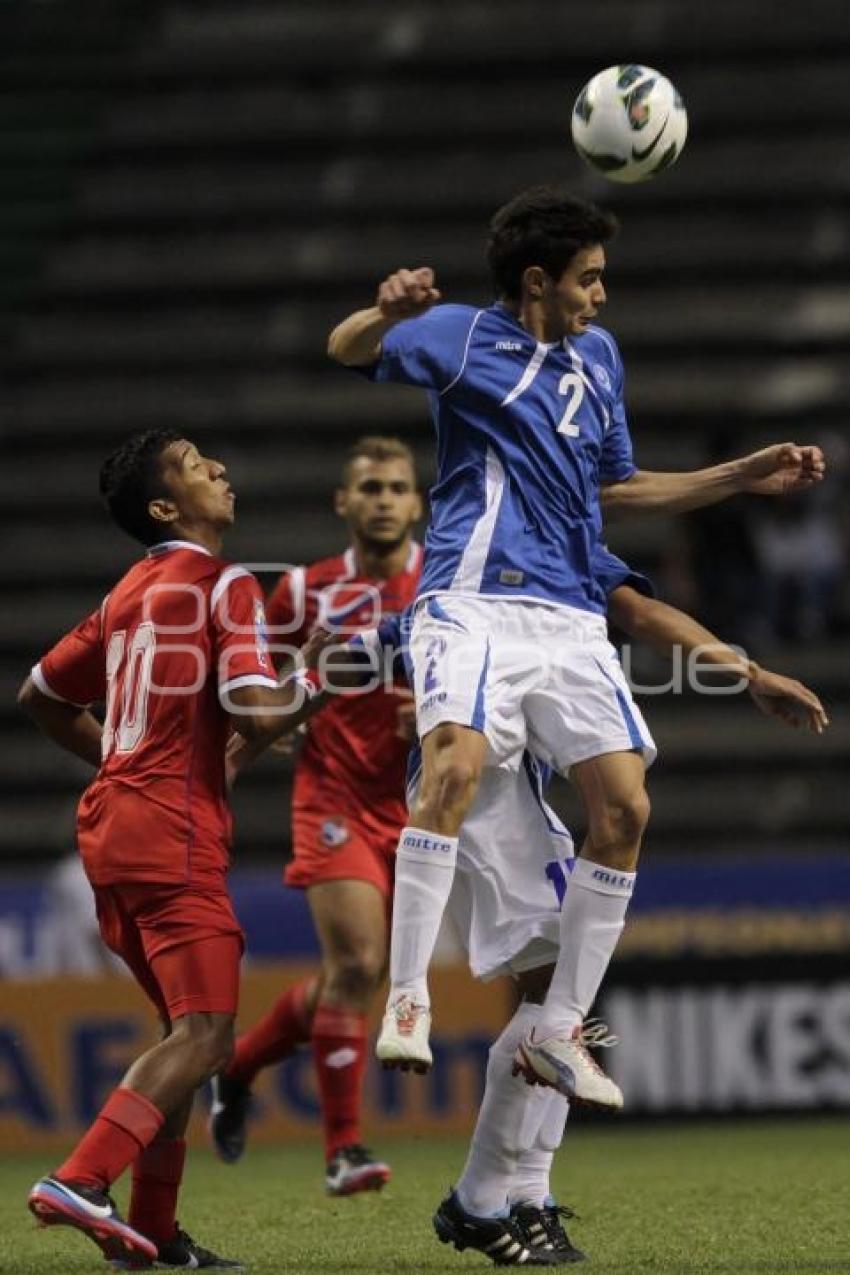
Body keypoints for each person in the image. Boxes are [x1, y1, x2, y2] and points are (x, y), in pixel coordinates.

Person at [326, 184, 825, 1108]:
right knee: (454, 771)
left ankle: (559, 1028)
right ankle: (406, 998)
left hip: (565, 613)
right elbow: (347, 351)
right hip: (470, 597)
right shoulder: (462, 335)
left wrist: (742, 477)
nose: (601, 295)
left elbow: (620, 487)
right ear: (535, 281)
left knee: (627, 807)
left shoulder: (599, 357)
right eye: (588, 279)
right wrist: (382, 312)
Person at [417, 546, 827, 1268]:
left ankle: (503, 1196)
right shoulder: (466, 559)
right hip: (474, 794)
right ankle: (498, 1197)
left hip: (518, 786)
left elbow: (637, 607)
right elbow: (364, 655)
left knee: (557, 993)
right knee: (556, 1005)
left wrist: (752, 671)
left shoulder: (558, 536)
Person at [19, 430, 323, 1268]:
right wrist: (325, 679)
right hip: (171, 836)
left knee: (179, 1030)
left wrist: (124, 756)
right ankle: (81, 1179)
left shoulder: (127, 594)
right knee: (209, 1037)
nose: (220, 468)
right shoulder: (224, 587)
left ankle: (151, 1233)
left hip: (112, 829)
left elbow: (41, 695)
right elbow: (262, 712)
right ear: (165, 506)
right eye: (195, 465)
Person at [210, 436, 422, 1196]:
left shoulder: (446, 586)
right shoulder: (304, 591)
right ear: (344, 502)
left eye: (397, 486)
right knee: (361, 964)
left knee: (348, 976)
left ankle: (237, 1064)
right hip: (333, 794)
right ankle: (344, 1149)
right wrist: (277, 722)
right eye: (369, 487)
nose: (383, 499)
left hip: (427, 805)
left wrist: (432, 720)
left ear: (417, 503)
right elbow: (252, 677)